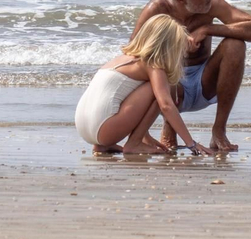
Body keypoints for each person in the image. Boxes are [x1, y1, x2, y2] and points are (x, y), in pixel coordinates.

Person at [130, 0, 251, 153]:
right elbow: (132, 56)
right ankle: (169, 128)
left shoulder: (212, 4)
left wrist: (208, 29)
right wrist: (175, 46)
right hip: (169, 85)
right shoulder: (156, 10)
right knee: (155, 69)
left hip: (204, 82)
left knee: (235, 45)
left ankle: (219, 130)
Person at [75, 14, 214, 156]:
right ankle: (134, 143)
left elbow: (125, 103)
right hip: (104, 130)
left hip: (83, 128)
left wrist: (147, 137)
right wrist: (192, 144)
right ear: (168, 47)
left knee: (135, 91)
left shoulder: (122, 59)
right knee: (159, 91)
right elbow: (166, 106)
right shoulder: (153, 64)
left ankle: (106, 145)